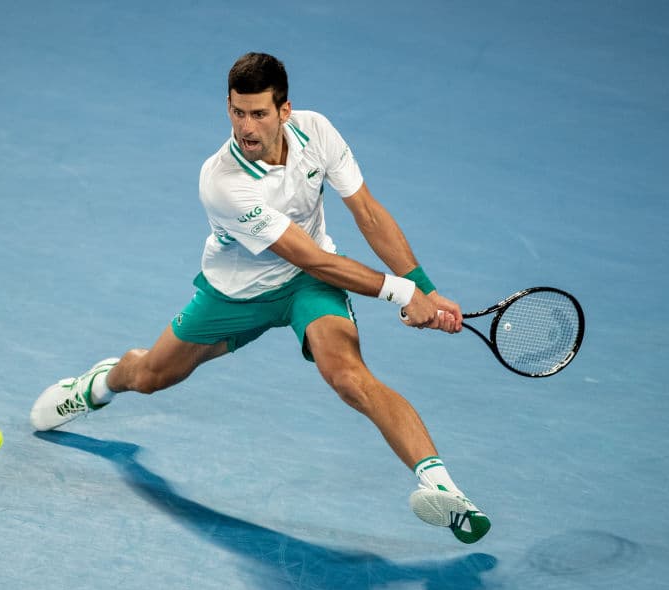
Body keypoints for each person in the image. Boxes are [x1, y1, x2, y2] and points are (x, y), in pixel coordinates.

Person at [30, 53, 490, 544]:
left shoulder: (318, 132)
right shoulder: (222, 181)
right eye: (236, 112)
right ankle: (99, 384)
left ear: (285, 110)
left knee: (349, 377)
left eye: (258, 113)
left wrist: (425, 287)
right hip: (237, 295)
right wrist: (402, 293)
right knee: (150, 376)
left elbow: (368, 213)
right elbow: (312, 256)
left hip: (307, 288)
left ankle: (445, 491)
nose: (245, 127)